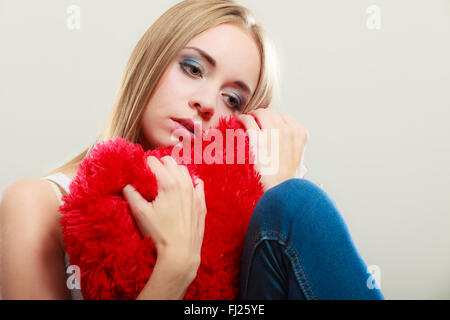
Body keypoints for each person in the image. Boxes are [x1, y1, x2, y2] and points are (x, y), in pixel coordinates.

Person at [0, 0, 384, 300]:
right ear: (149, 64)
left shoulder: (240, 211)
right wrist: (176, 268)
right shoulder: (39, 204)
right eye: (193, 68)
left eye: (232, 100)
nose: (206, 103)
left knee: (297, 202)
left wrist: (274, 190)